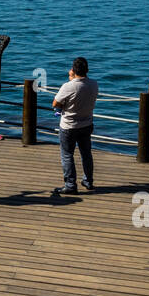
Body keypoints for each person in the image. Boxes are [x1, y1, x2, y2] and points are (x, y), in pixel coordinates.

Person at [51, 57, 99, 195]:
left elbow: (55, 103)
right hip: (87, 123)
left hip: (69, 126)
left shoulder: (68, 86)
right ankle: (88, 180)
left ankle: (71, 184)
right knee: (86, 154)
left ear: (73, 70)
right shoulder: (94, 84)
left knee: (67, 155)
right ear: (87, 70)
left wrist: (71, 80)